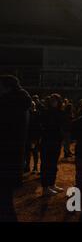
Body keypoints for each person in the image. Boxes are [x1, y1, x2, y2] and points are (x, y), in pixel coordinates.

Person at [0, 75, 32, 221]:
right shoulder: (20, 103)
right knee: (6, 201)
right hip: (13, 157)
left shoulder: (8, 104)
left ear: (7, 87)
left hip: (4, 156)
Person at [40, 93, 65, 196]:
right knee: (46, 164)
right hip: (47, 140)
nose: (53, 102)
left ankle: (52, 184)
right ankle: (45, 188)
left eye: (55, 100)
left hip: (56, 141)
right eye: (52, 100)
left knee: (54, 164)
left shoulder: (60, 112)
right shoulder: (45, 112)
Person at [24, 101, 43, 174]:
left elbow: (39, 126)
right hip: (28, 136)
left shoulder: (37, 114)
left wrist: (37, 137)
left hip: (34, 136)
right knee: (28, 153)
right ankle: (28, 166)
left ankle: (34, 167)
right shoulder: (28, 113)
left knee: (34, 152)